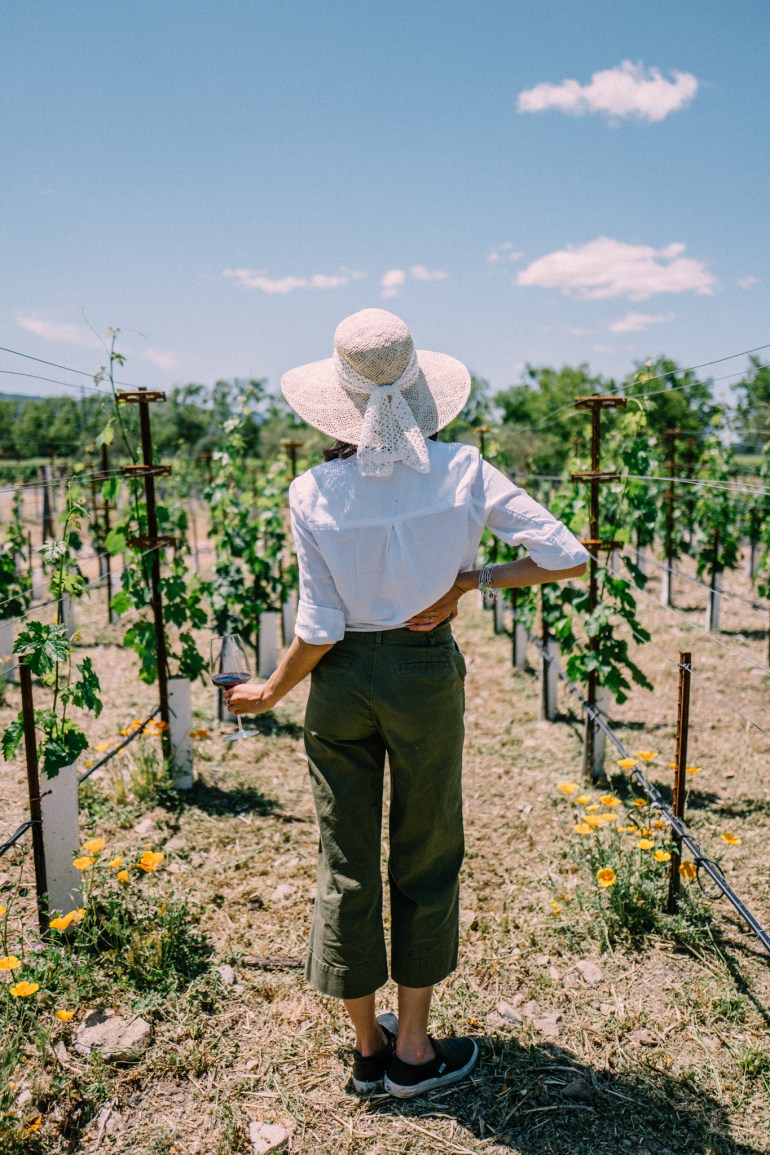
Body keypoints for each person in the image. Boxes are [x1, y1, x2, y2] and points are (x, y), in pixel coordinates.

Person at [225, 308, 588, 1098]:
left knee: (345, 860)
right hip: (424, 671)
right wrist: (470, 582)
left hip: (341, 678)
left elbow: (318, 625)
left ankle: (365, 1049)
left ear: (339, 402)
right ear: (418, 391)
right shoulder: (463, 470)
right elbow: (567, 554)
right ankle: (415, 1050)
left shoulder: (311, 488)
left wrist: (269, 689)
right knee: (426, 849)